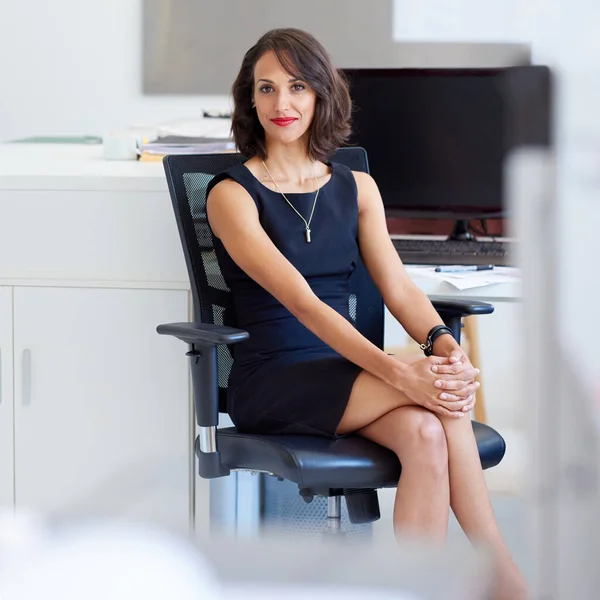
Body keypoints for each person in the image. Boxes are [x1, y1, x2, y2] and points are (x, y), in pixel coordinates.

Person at [206, 27, 528, 600]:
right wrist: (398, 370)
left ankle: (412, 590)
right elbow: (301, 302)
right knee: (433, 396)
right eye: (267, 89)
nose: (283, 104)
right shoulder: (231, 194)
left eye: (297, 87)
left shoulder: (357, 188)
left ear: (321, 95)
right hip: (272, 378)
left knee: (428, 432)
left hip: (344, 372)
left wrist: (441, 345)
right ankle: (502, 575)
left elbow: (399, 287)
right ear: (249, 100)